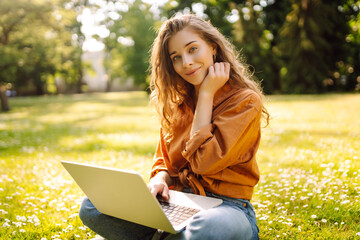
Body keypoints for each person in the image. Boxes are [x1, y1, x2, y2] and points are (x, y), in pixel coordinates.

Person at [79, 13, 270, 240]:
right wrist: (159, 179)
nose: (186, 63)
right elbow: (164, 162)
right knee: (92, 205)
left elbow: (204, 163)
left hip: (227, 208)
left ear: (213, 47)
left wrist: (207, 94)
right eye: (176, 57)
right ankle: (166, 235)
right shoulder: (177, 103)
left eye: (192, 49)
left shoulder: (244, 101)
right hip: (177, 203)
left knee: (206, 228)